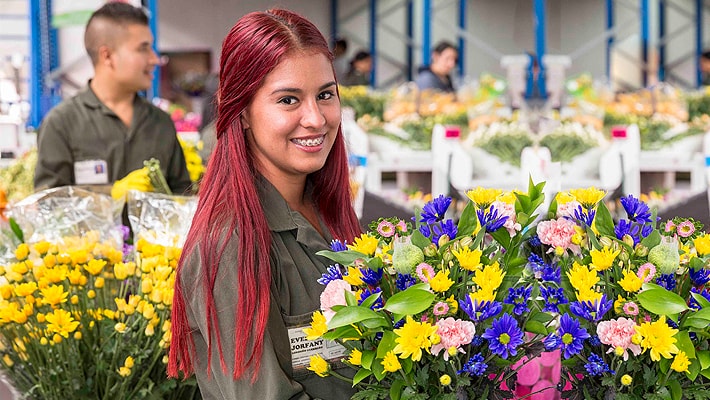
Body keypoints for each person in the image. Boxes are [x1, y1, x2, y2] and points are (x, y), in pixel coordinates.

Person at [168, 8, 362, 400]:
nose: (316, 118)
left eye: (325, 95)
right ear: (240, 112)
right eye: (288, 100)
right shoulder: (229, 246)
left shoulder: (329, 214)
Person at [33, 2, 191, 196]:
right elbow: (48, 203)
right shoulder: (61, 124)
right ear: (107, 56)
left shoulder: (161, 123)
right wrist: (112, 194)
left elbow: (183, 197)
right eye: (143, 49)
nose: (154, 59)